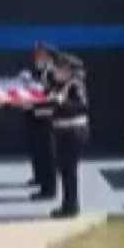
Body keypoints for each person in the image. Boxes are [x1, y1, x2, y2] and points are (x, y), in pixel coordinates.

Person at [47, 53, 89, 219]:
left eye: (58, 68)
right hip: (62, 132)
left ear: (68, 70)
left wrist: (61, 102)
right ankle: (66, 204)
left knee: (69, 170)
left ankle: (72, 206)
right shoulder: (60, 85)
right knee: (64, 169)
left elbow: (82, 106)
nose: (55, 71)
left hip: (74, 132)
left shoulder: (75, 85)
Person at [24, 42, 57, 197]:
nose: (36, 57)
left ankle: (49, 189)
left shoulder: (52, 73)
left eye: (40, 54)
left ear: (48, 57)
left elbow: (50, 96)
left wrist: (33, 103)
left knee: (48, 155)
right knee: (40, 152)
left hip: (47, 119)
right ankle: (42, 180)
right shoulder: (40, 71)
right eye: (36, 54)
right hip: (37, 117)